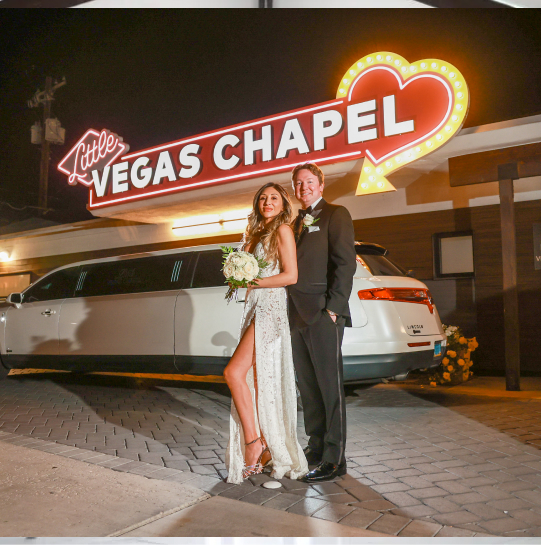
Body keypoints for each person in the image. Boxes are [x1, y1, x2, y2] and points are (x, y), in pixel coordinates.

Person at [224, 182, 309, 484]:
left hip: (271, 308)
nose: (267, 202)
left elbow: (291, 275)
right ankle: (265, 446)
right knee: (255, 380)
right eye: (262, 198)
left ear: (284, 204)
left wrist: (252, 282)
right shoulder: (255, 233)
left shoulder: (283, 231)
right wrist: (238, 276)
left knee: (234, 373)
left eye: (273, 198)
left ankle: (254, 443)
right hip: (254, 307)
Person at [288, 162, 357, 483]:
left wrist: (333, 308)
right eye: (298, 184)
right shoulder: (293, 222)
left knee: (330, 387)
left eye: (309, 182)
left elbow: (344, 264)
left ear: (320, 184)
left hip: (322, 313)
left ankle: (334, 458)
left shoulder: (335, 214)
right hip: (295, 314)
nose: (303, 188)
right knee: (308, 387)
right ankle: (315, 447)